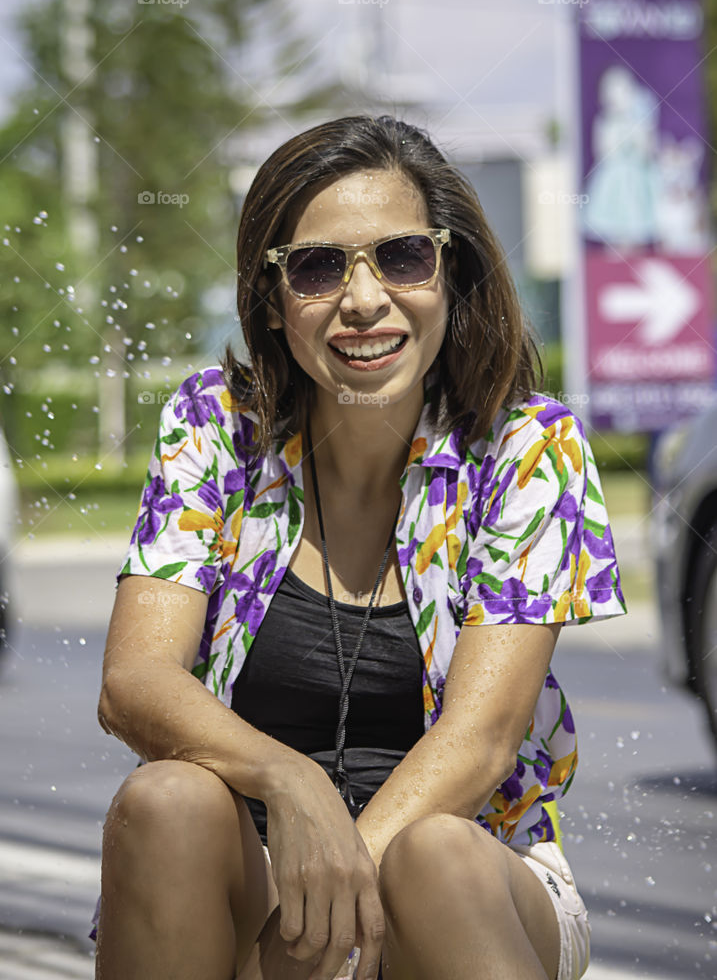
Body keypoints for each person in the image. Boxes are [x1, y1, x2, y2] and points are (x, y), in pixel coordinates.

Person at [92, 114, 627, 980]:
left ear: (449, 270)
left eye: (402, 256)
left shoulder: (529, 445)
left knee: (431, 857)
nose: (364, 299)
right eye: (317, 267)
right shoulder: (216, 429)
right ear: (271, 298)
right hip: (260, 869)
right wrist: (288, 780)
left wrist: (323, 928)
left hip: (472, 873)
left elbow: (482, 741)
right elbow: (134, 683)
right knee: (167, 800)